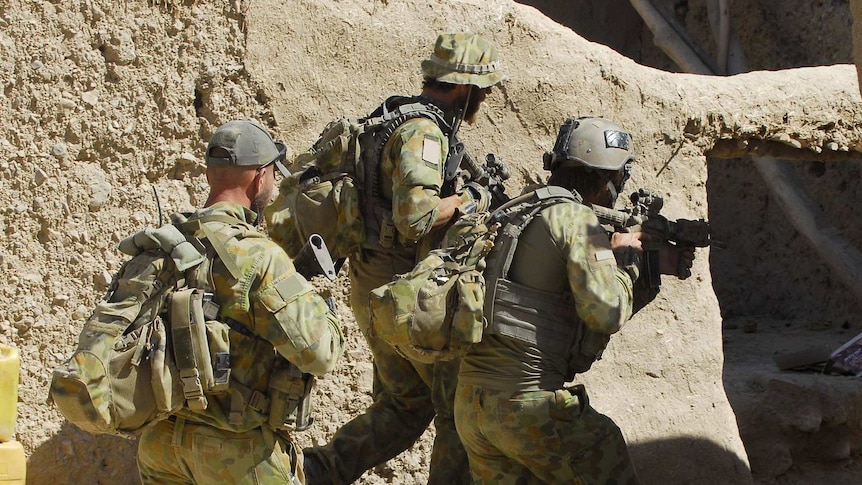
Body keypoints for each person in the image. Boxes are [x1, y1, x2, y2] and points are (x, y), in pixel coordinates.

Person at [298, 33, 506, 485]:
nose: (484, 99)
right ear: (462, 86)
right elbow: (416, 218)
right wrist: (470, 198)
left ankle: (318, 472)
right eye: (483, 90)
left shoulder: (390, 116)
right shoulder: (425, 133)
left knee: (403, 405)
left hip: (372, 287)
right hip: (409, 299)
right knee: (457, 413)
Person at [453, 117, 694, 484]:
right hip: (527, 405)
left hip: (473, 407)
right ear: (604, 180)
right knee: (603, 444)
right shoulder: (575, 218)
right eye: (618, 180)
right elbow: (607, 313)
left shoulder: (519, 210)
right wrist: (629, 263)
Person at [135, 119, 345, 484]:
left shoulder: (162, 245)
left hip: (160, 444)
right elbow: (319, 353)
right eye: (272, 177)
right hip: (236, 452)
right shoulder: (259, 256)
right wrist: (324, 313)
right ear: (259, 177)